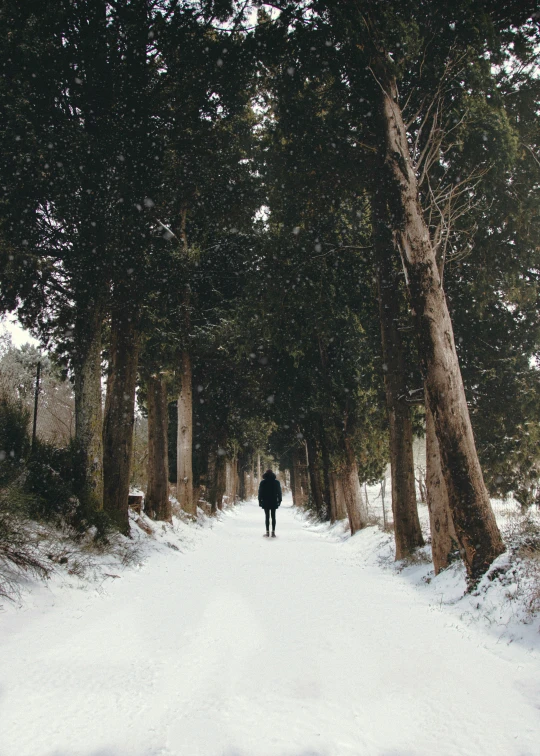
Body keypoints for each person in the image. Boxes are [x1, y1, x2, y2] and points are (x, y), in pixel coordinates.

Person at [258, 469, 282, 538]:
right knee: (273, 516)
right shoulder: (276, 482)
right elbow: (279, 492)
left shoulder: (263, 482)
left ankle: (267, 532)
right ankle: (273, 532)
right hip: (274, 501)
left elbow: (260, 492)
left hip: (266, 501)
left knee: (267, 516)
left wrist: (260, 501)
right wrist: (279, 500)